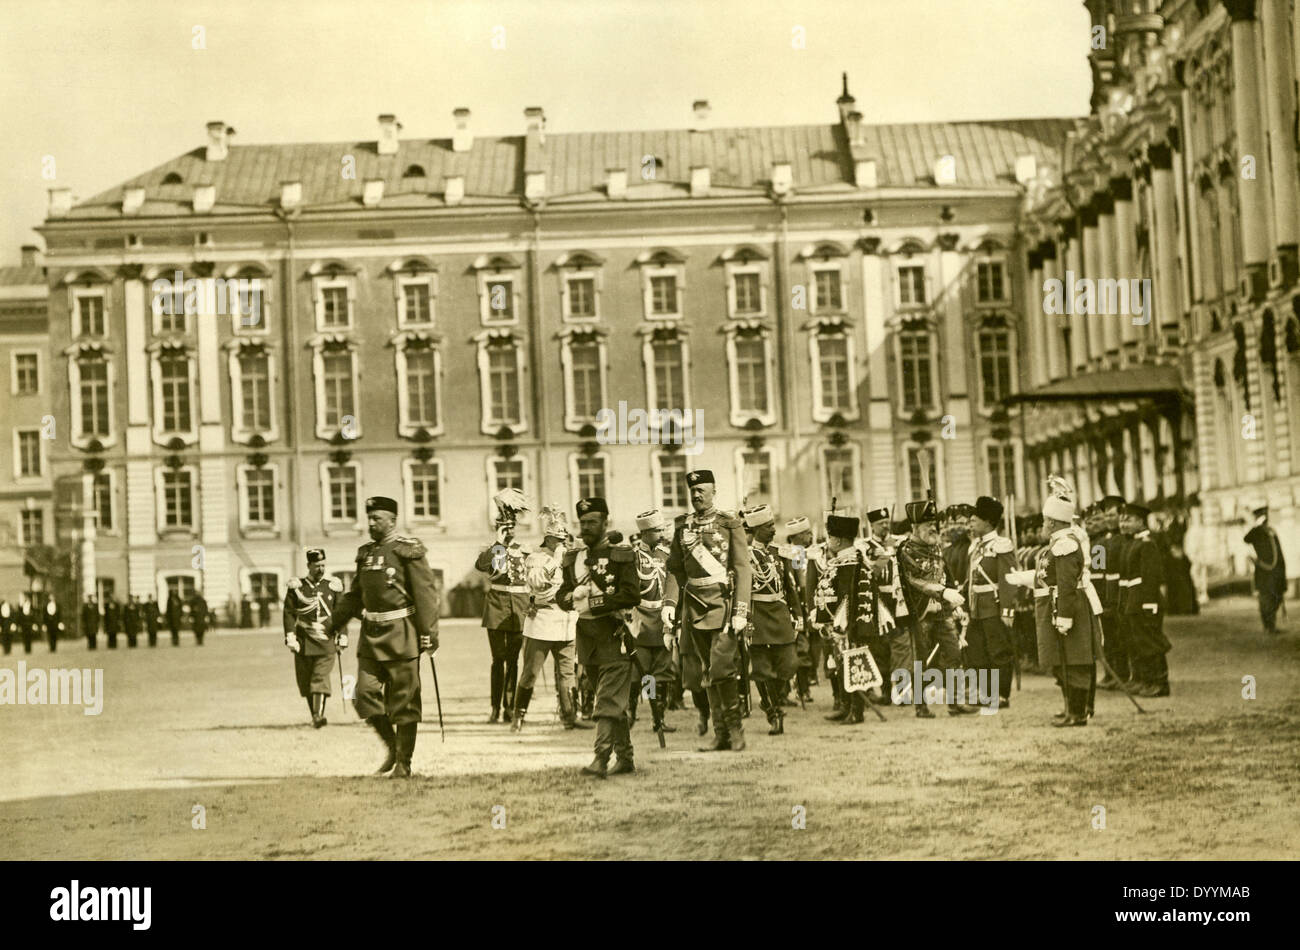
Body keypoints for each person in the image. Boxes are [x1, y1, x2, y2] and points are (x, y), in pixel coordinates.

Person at [326, 496, 439, 778]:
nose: (371, 523)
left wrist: (429, 633)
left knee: (405, 700)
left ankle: (404, 762)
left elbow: (425, 595)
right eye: (370, 518)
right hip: (371, 637)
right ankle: (392, 747)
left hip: (402, 635)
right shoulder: (365, 554)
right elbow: (354, 597)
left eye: (377, 518)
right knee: (362, 694)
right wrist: (332, 623)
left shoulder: (407, 551)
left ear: (392, 520)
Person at [665, 470, 752, 752]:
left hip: (723, 606)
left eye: (702, 489)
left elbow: (741, 569)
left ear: (714, 491)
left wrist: (740, 609)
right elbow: (675, 570)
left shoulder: (729, 524)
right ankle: (720, 734)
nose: (697, 494)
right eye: (693, 490)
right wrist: (669, 603)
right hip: (694, 607)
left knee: (723, 668)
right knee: (706, 672)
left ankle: (735, 731)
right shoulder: (682, 526)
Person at [557, 497, 640, 777]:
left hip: (615, 634)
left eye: (593, 522)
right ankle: (626, 758)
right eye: (583, 522)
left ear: (606, 523)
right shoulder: (573, 558)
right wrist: (569, 597)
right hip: (587, 640)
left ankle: (601, 758)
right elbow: (561, 594)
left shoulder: (621, 555)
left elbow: (631, 594)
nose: (587, 527)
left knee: (606, 700)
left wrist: (596, 602)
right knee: (611, 702)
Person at [511, 506, 589, 732]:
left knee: (567, 673)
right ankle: (518, 716)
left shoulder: (569, 558)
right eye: (558, 540)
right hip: (543, 621)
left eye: (564, 540)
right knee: (530, 673)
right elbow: (536, 583)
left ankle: (569, 716)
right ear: (548, 539)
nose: (562, 544)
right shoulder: (536, 558)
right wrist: (554, 561)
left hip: (566, 620)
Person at [897, 499, 974, 717]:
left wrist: (952, 601)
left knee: (954, 653)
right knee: (921, 659)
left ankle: (955, 702)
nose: (933, 528)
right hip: (920, 613)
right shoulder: (906, 550)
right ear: (914, 527)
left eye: (934, 523)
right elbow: (915, 580)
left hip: (943, 611)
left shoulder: (937, 548)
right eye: (927, 524)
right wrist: (943, 592)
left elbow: (946, 576)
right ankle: (921, 706)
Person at [1036, 480, 1103, 726]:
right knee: (1063, 661)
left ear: (1052, 522)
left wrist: (1064, 616)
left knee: (1074, 662)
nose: (1042, 526)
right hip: (1058, 606)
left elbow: (1066, 584)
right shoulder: (1057, 543)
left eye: (1044, 521)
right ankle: (1071, 709)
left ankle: (1077, 713)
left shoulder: (1065, 544)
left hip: (1067, 609)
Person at [812, 510, 886, 725]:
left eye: (830, 538)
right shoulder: (843, 561)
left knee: (853, 667)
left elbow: (846, 600)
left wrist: (840, 626)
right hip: (838, 626)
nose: (828, 542)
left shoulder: (850, 564)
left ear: (839, 540)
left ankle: (856, 710)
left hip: (848, 627)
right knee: (840, 666)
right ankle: (845, 706)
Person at [740, 505, 800, 735]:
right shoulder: (744, 556)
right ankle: (773, 711)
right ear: (756, 530)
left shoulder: (780, 553)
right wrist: (742, 617)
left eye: (773, 525)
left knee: (789, 664)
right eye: (768, 527)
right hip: (757, 615)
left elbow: (790, 586)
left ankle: (771, 699)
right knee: (763, 670)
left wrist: (798, 615)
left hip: (780, 613)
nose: (774, 530)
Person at [474, 488, 530, 724]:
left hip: (519, 607)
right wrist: (498, 542)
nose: (508, 530)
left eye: (510, 526)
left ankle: (510, 707)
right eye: (503, 526)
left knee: (514, 660)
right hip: (497, 607)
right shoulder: (493, 549)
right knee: (498, 659)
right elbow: (483, 565)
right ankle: (496, 707)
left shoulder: (524, 551)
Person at [626, 509, 678, 740]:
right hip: (641, 619)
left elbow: (673, 583)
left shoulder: (667, 555)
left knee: (661, 671)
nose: (662, 532)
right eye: (657, 530)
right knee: (640, 671)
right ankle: (631, 713)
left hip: (662, 618)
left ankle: (659, 718)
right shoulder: (633, 557)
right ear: (645, 533)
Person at [964, 496, 1017, 709]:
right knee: (978, 652)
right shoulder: (976, 546)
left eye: (976, 517)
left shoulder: (1001, 545)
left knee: (999, 652)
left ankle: (1001, 695)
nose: (971, 520)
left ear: (988, 521)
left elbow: (1008, 580)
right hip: (977, 607)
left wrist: (1007, 610)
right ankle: (986, 693)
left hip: (994, 607)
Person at [284, 549, 347, 728]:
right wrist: (290, 636)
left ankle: (318, 716)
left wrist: (342, 635)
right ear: (309, 566)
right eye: (317, 566)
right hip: (304, 640)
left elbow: (341, 613)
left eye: (323, 565)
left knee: (320, 677)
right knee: (305, 680)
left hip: (326, 639)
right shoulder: (298, 587)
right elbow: (288, 613)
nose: (321, 569)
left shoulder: (333, 586)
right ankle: (315, 714)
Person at [1119, 502, 1171, 697]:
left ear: (1141, 522)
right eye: (1122, 519)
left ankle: (1160, 682)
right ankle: (1144, 679)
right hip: (1132, 600)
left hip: (1144, 600)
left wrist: (1149, 605)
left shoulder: (1147, 544)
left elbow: (1151, 578)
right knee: (1138, 642)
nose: (1123, 524)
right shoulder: (1132, 543)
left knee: (1151, 642)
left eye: (1128, 520)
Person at [779, 516, 816, 705]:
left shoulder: (803, 552)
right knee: (799, 650)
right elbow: (798, 585)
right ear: (797, 536)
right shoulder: (793, 555)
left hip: (805, 609)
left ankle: (803, 688)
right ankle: (798, 690)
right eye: (807, 533)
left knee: (805, 651)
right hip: (795, 610)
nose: (811, 536)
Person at [1096, 496, 1131, 689]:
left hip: (1120, 592)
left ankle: (1124, 674)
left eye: (1112, 515)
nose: (1109, 519)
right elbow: (1097, 571)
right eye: (1106, 515)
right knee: (1109, 637)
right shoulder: (1101, 543)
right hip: (1106, 595)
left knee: (1122, 636)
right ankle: (1112, 673)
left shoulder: (1125, 539)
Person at [1244, 505, 1287, 636]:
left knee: (1276, 598)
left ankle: (1272, 625)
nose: (1266, 518)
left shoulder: (1270, 531)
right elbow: (1246, 539)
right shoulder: (1257, 531)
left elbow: (1278, 553)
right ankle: (1268, 627)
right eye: (1263, 515)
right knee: (1266, 599)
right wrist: (1255, 524)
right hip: (1264, 569)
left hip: (1276, 571)